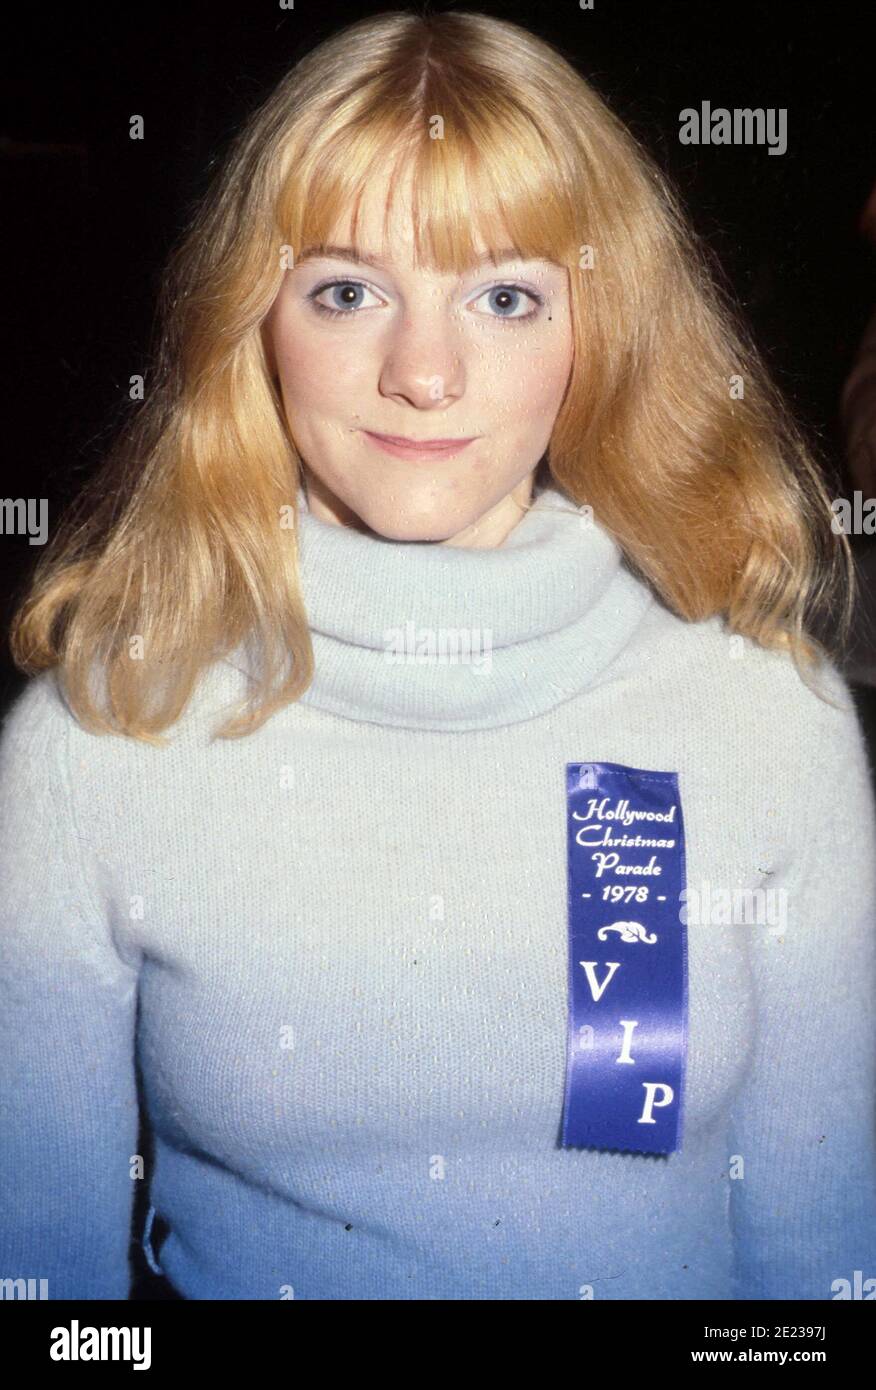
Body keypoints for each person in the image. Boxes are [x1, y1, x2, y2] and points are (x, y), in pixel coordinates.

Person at [1, 9, 874, 1302]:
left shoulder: (764, 717)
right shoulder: (99, 740)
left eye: (505, 295)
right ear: (256, 325)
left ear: (601, 330)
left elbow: (821, 1263)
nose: (424, 371)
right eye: (347, 290)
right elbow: (45, 1292)